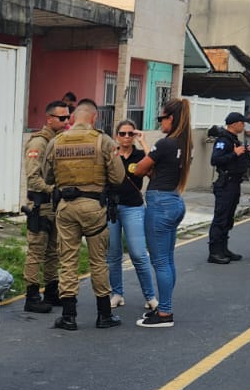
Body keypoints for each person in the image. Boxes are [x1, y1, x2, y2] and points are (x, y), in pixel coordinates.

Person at [43, 99, 124, 330]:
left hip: (66, 208)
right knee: (98, 261)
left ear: (71, 119)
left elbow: (47, 177)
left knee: (67, 261)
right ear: (94, 118)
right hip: (94, 207)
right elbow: (118, 178)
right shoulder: (103, 141)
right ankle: (104, 315)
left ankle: (69, 316)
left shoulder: (57, 142)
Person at [128, 97, 192, 327]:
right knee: (169, 260)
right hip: (174, 200)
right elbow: (158, 168)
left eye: (161, 118)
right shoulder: (185, 144)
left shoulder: (166, 143)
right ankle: (165, 306)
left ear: (171, 118)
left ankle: (164, 312)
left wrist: (137, 166)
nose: (160, 123)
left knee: (160, 261)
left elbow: (141, 169)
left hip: (160, 203)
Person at [21, 100, 71, 313]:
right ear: (49, 119)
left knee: (53, 251)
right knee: (36, 252)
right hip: (40, 204)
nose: (66, 121)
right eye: (62, 118)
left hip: (53, 205)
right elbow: (33, 179)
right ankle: (32, 296)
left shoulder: (57, 141)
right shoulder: (39, 143)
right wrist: (53, 190)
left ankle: (51, 291)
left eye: (68, 117)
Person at [106, 119, 158, 311]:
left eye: (131, 133)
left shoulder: (139, 155)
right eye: (122, 133)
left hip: (133, 208)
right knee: (113, 255)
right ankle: (117, 294)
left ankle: (150, 296)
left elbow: (153, 171)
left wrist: (144, 142)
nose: (126, 137)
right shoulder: (111, 154)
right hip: (111, 208)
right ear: (116, 136)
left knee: (138, 254)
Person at [207, 112, 250, 263]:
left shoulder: (234, 140)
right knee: (220, 217)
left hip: (234, 183)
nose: (243, 125)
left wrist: (244, 152)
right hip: (225, 184)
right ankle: (214, 252)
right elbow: (215, 160)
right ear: (233, 124)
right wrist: (234, 153)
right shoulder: (223, 141)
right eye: (241, 122)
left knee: (228, 218)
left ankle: (223, 248)